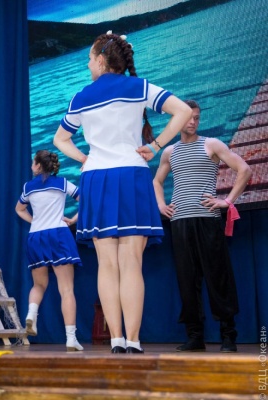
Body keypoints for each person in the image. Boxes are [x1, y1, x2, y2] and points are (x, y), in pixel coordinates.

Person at [53, 31, 192, 354]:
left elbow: (60, 139)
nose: (88, 65)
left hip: (96, 178)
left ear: (101, 60)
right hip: (132, 175)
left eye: (90, 59)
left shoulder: (81, 97)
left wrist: (85, 158)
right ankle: (133, 340)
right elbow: (183, 111)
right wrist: (155, 146)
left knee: (107, 265)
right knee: (131, 263)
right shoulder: (138, 87)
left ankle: (115, 340)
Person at [153, 100, 251, 353]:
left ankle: (228, 336)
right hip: (180, 222)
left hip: (207, 220)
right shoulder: (169, 152)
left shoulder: (212, 144)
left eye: (197, 117)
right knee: (187, 280)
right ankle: (195, 337)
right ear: (177, 119)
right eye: (189, 117)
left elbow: (244, 169)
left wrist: (227, 201)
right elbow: (157, 181)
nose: (193, 122)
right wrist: (162, 205)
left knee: (218, 277)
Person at [15, 150, 83, 351]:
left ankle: (31, 315)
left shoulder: (28, 187)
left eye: (32, 163)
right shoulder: (62, 183)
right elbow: (85, 199)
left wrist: (34, 221)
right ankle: (71, 339)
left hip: (36, 237)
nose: (31, 166)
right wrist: (74, 219)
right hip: (59, 235)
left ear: (38, 165)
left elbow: (19, 209)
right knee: (66, 289)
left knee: (38, 284)